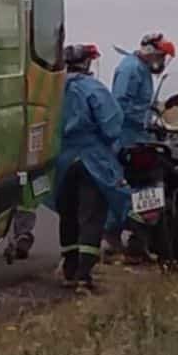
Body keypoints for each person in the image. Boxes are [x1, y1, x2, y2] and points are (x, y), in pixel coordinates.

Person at [50, 44, 130, 289]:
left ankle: (69, 268)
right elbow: (112, 125)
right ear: (86, 63)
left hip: (60, 161)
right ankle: (84, 275)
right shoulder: (92, 88)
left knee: (68, 214)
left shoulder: (52, 89)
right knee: (92, 216)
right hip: (91, 160)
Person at [104, 33, 177, 254]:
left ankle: (140, 237)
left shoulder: (142, 71)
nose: (162, 62)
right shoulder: (130, 69)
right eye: (161, 56)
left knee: (146, 189)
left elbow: (144, 104)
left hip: (140, 135)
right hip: (127, 137)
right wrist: (144, 120)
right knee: (127, 186)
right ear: (150, 52)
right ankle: (112, 233)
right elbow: (120, 105)